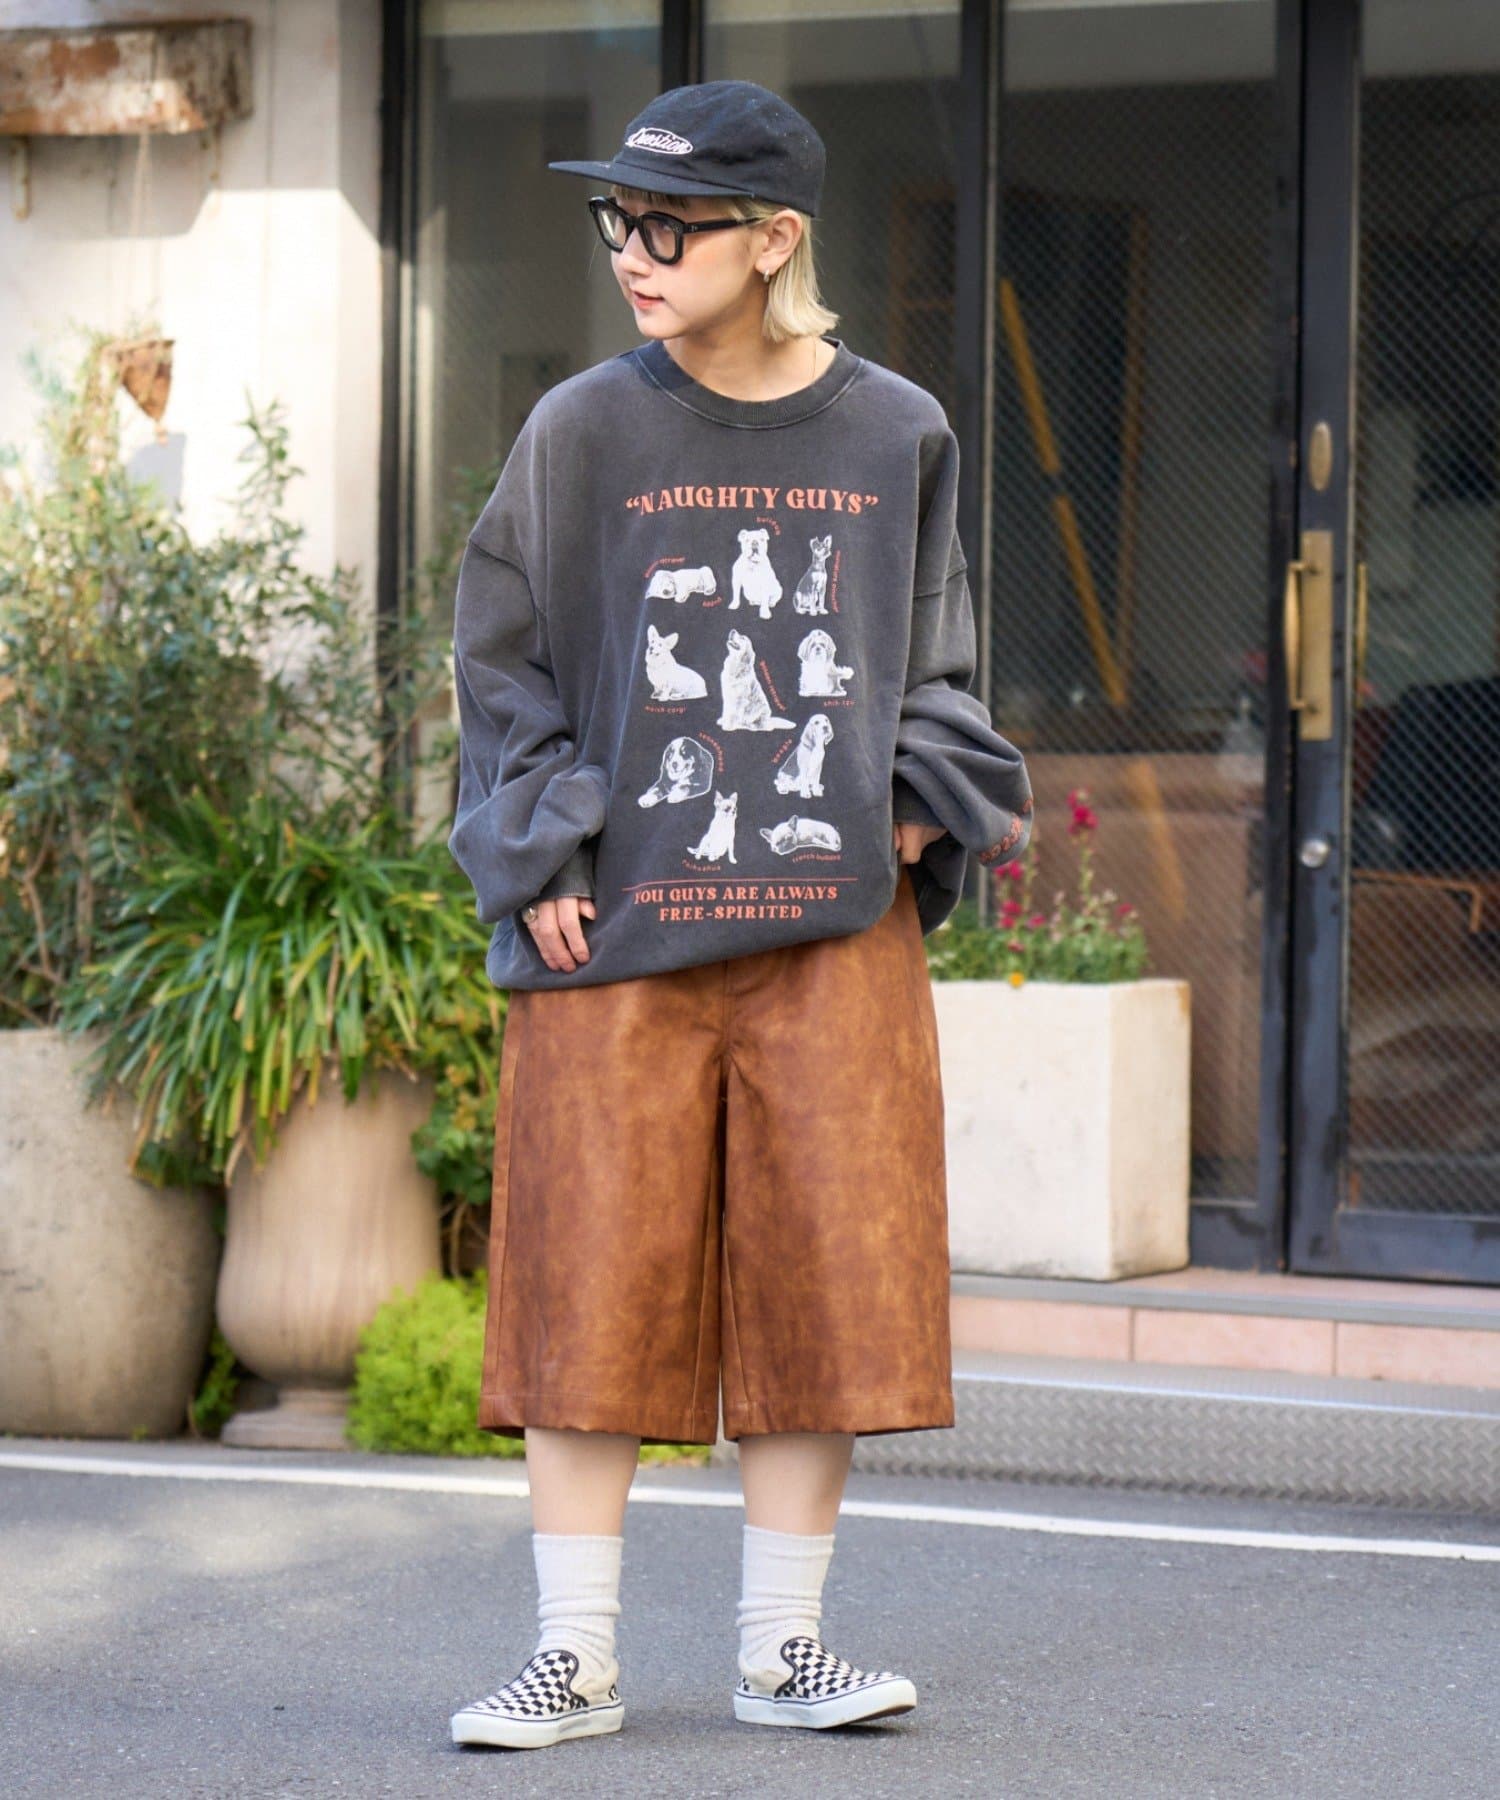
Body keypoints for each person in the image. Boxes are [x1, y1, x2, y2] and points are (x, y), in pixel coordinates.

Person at [445, 79, 1033, 1752]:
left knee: (825, 1280)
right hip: (617, 935)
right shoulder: (583, 429)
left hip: (831, 934)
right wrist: (544, 853)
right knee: (586, 1279)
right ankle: (575, 1660)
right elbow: (501, 659)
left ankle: (785, 1654)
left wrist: (917, 798)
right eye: (617, 219)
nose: (633, 252)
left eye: (671, 224)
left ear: (774, 239)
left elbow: (938, 659)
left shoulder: (895, 430)